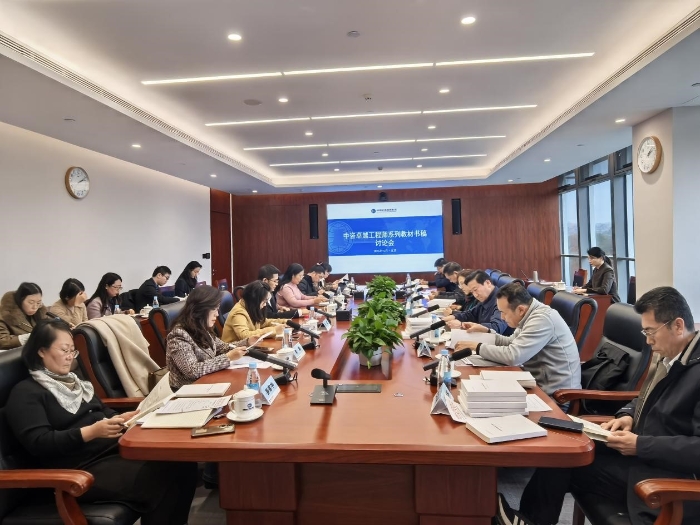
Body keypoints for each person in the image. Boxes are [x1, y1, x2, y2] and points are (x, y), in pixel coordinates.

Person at [516, 286, 700, 525]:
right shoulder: (671, 355)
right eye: (644, 331)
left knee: (566, 464)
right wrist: (628, 415)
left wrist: (640, 445)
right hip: (645, 459)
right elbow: (645, 396)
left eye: (651, 331)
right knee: (564, 455)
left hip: (668, 478)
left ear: (678, 326)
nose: (647, 340)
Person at [6, 319, 197, 525]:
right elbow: (40, 443)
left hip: (106, 452)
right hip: (75, 469)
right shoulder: (26, 393)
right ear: (41, 351)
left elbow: (100, 410)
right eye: (64, 350)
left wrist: (118, 418)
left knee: (181, 463)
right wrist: (91, 432)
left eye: (72, 351)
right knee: (160, 476)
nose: (70, 356)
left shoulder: (74, 381)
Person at [454, 282, 580, 396]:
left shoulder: (541, 319)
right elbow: (511, 342)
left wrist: (477, 347)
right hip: (535, 382)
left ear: (520, 310)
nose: (502, 317)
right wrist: (487, 332)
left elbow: (513, 356)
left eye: (504, 312)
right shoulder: (529, 313)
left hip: (556, 395)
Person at [166, 285, 253, 390]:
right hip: (189, 389)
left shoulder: (201, 327)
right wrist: (228, 358)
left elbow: (222, 347)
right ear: (201, 309)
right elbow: (192, 371)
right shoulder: (178, 335)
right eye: (214, 309)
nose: (217, 314)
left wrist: (248, 342)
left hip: (209, 380)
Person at [443, 270, 510, 335]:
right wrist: (453, 316)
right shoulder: (485, 298)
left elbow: (496, 327)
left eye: (475, 290)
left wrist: (462, 325)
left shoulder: (501, 300)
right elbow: (471, 314)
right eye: (472, 292)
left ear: (488, 283)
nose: (475, 295)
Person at [0, 282, 47, 350]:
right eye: (31, 302)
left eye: (38, 303)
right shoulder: (5, 314)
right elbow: (2, 341)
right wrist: (25, 338)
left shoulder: (41, 312)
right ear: (20, 300)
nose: (35, 307)